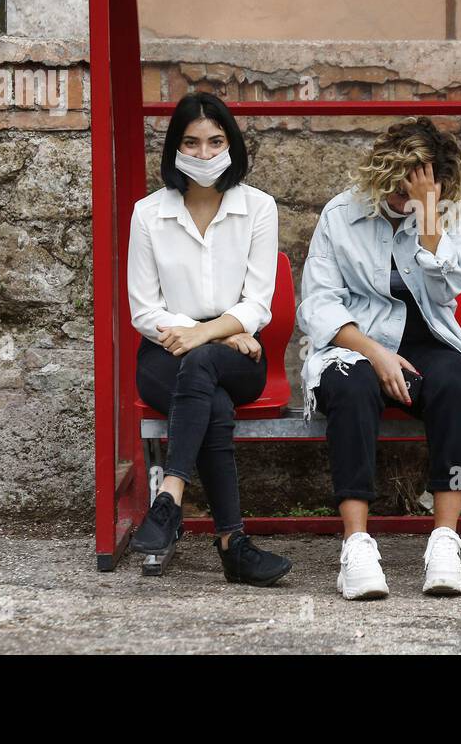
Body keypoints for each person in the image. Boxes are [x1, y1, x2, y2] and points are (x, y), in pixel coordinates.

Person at [297, 116, 461, 600]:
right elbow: (319, 303)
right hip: (356, 342)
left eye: (416, 192)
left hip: (425, 341)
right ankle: (357, 545)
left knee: (458, 386)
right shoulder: (339, 215)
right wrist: (375, 354)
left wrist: (430, 218)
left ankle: (444, 541)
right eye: (397, 189)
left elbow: (448, 286)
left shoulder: (445, 214)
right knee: (349, 390)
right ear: (379, 173)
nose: (402, 201)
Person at [127, 91, 292, 586]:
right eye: (192, 143)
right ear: (175, 149)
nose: (204, 154)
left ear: (232, 145)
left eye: (215, 141)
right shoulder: (148, 213)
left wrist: (210, 332)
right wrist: (215, 335)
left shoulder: (258, 208)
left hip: (240, 356)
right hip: (165, 353)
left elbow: (258, 303)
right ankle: (232, 546)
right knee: (210, 399)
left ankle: (170, 494)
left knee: (203, 369)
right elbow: (144, 310)